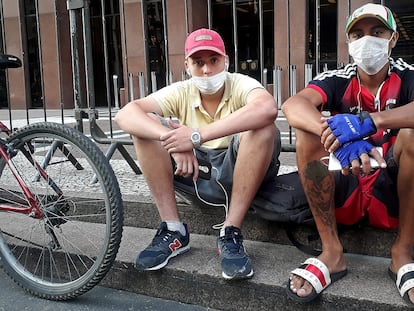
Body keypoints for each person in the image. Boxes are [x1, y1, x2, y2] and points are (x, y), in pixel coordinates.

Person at [115, 28, 281, 280]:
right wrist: (172, 140)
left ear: (226, 61)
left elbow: (267, 108)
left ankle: (230, 230)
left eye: (213, 60)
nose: (206, 70)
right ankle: (173, 230)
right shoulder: (182, 90)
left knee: (263, 127)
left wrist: (194, 136)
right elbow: (126, 113)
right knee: (146, 127)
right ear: (187, 65)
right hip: (196, 173)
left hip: (239, 170)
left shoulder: (241, 84)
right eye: (198, 62)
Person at [282, 3, 414, 305]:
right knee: (309, 132)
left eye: (377, 32)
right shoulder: (339, 77)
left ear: (393, 39)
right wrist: (338, 137)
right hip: (347, 179)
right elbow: (293, 105)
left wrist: (370, 121)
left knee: (412, 133)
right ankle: (332, 252)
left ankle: (402, 251)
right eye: (358, 34)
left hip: (393, 188)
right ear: (349, 43)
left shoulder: (407, 76)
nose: (367, 40)